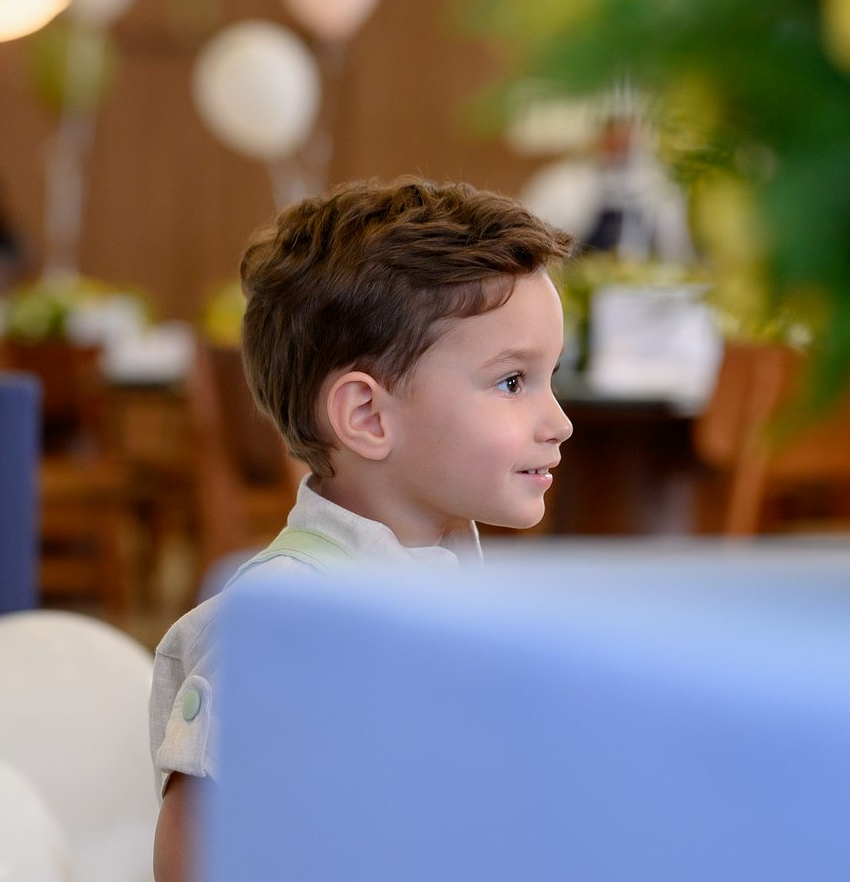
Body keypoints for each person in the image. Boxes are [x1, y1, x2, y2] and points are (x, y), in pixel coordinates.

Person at [150, 177, 575, 880]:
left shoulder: (456, 584)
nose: (559, 421)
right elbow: (193, 850)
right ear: (368, 417)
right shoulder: (285, 621)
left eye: (550, 376)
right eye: (512, 382)